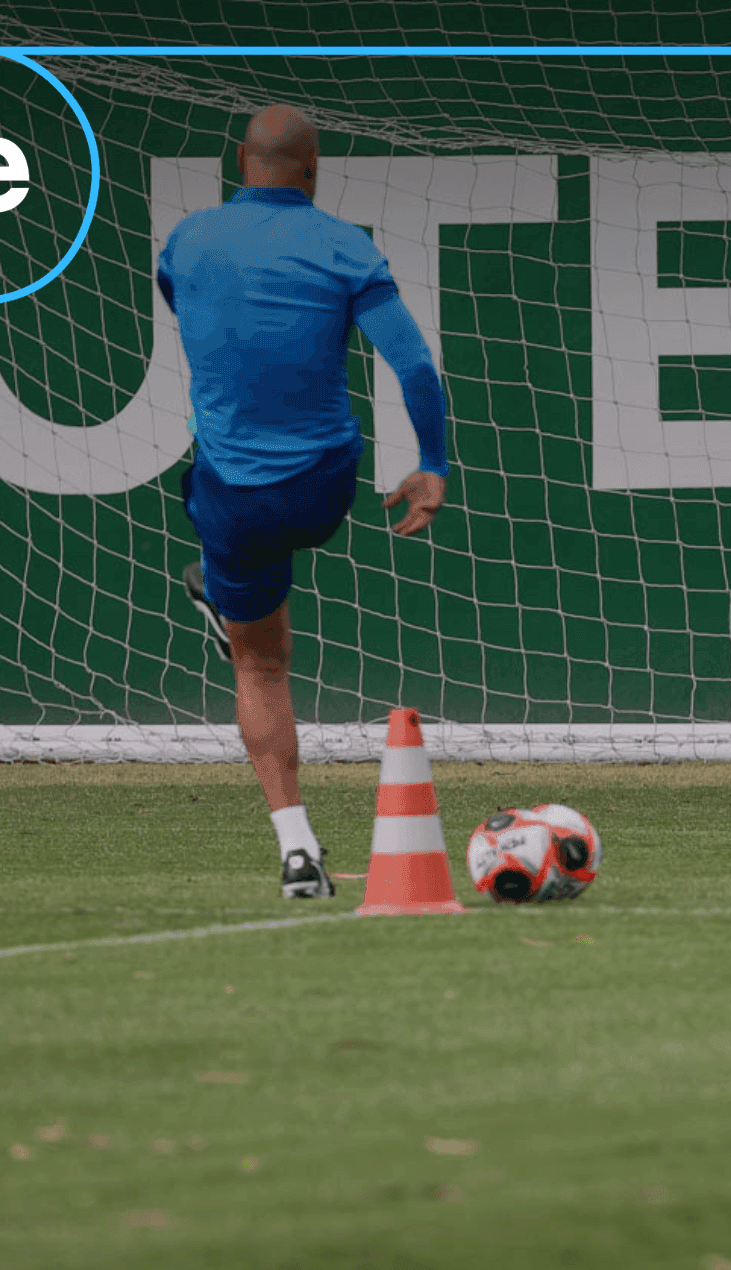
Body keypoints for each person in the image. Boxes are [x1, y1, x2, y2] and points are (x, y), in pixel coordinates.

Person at [160, 105, 451, 896]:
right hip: (325, 486)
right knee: (262, 622)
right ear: (313, 169)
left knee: (259, 661)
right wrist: (432, 463)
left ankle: (296, 850)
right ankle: (228, 599)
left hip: (234, 498)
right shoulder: (343, 245)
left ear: (239, 161)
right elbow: (415, 367)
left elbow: (196, 318)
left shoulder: (188, 240)